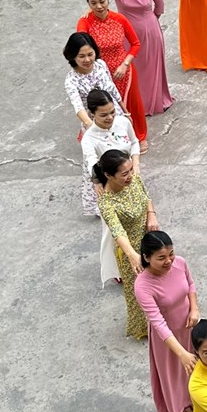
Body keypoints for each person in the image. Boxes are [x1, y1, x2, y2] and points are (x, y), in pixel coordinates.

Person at [133, 231, 199, 412]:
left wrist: (194, 309)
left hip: (188, 327)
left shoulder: (180, 263)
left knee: (196, 365)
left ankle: (197, 396)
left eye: (171, 254)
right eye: (161, 257)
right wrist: (181, 353)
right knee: (174, 372)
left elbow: (190, 284)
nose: (169, 261)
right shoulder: (143, 285)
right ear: (146, 257)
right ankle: (181, 407)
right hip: (167, 338)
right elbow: (158, 323)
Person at [94, 149, 157, 340]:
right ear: (108, 175)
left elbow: (146, 197)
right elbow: (117, 231)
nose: (130, 175)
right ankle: (144, 328)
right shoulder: (106, 202)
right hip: (130, 249)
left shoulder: (134, 179)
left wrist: (151, 214)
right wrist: (132, 255)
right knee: (138, 291)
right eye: (124, 174)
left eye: (130, 170)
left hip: (149, 239)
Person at [77, 0, 148, 146]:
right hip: (99, 74)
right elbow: (81, 48)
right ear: (88, 4)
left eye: (102, 1)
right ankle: (109, 141)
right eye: (93, 3)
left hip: (124, 71)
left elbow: (135, 44)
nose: (99, 7)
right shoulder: (85, 23)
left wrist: (125, 64)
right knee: (104, 108)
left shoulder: (119, 19)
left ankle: (138, 137)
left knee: (131, 105)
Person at [80, 90, 140, 278]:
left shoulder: (123, 122)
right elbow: (91, 162)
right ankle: (117, 268)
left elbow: (134, 142)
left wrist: (136, 165)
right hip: (111, 186)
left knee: (138, 220)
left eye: (112, 112)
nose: (110, 117)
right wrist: (97, 182)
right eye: (104, 115)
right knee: (114, 230)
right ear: (92, 114)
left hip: (130, 178)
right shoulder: (89, 138)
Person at [106, 0, 172, 116]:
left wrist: (149, 22)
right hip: (126, 34)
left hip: (150, 32)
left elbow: (159, 6)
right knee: (132, 69)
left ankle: (154, 101)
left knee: (150, 68)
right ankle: (134, 103)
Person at [63, 31, 125, 142]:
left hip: (116, 117)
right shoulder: (71, 81)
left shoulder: (101, 64)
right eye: (81, 56)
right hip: (96, 126)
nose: (87, 60)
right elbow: (78, 107)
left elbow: (113, 89)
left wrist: (126, 112)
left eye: (90, 54)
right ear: (72, 56)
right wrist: (92, 127)